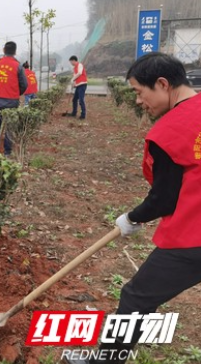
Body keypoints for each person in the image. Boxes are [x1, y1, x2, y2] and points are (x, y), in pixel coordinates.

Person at [66, 52, 201, 364]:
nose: (139, 102)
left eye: (140, 93)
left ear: (163, 84)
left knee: (136, 297)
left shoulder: (169, 132)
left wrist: (131, 218)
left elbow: (164, 199)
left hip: (193, 238)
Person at [0, 41, 27, 155]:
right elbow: (24, 84)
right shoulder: (18, 66)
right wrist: (16, 93)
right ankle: (7, 151)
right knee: (10, 126)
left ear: (4, 50)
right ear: (15, 52)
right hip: (11, 101)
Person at [65, 55, 88, 119]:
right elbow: (75, 77)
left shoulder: (79, 65)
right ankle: (74, 113)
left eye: (71, 62)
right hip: (78, 85)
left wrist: (72, 79)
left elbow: (80, 73)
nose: (71, 63)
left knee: (81, 100)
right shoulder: (74, 68)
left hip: (82, 84)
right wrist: (73, 84)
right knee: (74, 100)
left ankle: (83, 115)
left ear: (74, 60)